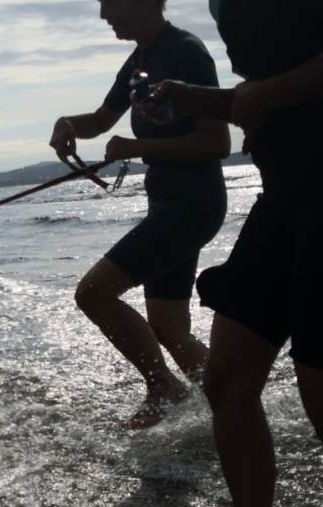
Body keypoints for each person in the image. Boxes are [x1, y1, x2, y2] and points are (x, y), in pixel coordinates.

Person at [143, 0, 323, 507]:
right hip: (283, 199)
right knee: (228, 380)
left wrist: (269, 95)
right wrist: (195, 99)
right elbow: (261, 93)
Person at [49, 0, 229, 428]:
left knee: (92, 293)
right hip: (167, 203)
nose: (103, 16)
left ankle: (163, 387)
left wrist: (137, 147)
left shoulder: (186, 51)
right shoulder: (138, 61)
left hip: (193, 203)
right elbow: (100, 119)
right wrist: (67, 124)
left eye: (111, 5)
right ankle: (231, 401)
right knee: (169, 327)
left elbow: (216, 143)